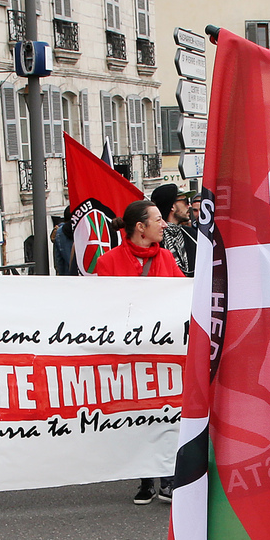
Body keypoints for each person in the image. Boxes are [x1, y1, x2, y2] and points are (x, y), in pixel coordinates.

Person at [94, 200, 180, 503]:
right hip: (128, 353)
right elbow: (104, 309)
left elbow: (182, 300)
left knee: (167, 413)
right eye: (158, 219)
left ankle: (168, 477)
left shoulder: (167, 258)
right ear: (140, 228)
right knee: (139, 415)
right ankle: (145, 479)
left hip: (165, 352)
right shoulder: (108, 263)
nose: (164, 224)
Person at [150, 184, 195, 277]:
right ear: (172, 206)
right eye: (185, 201)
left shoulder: (191, 234)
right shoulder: (154, 237)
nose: (189, 206)